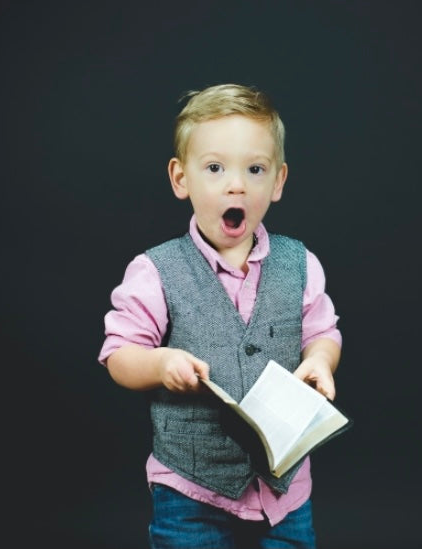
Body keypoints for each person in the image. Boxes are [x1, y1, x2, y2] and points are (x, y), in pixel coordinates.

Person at [98, 83, 342, 549]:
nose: (237, 184)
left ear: (278, 181)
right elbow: (118, 355)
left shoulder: (300, 263)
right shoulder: (155, 271)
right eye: (215, 168)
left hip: (284, 490)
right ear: (180, 178)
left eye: (255, 169)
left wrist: (321, 361)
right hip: (191, 489)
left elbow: (323, 331)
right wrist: (159, 363)